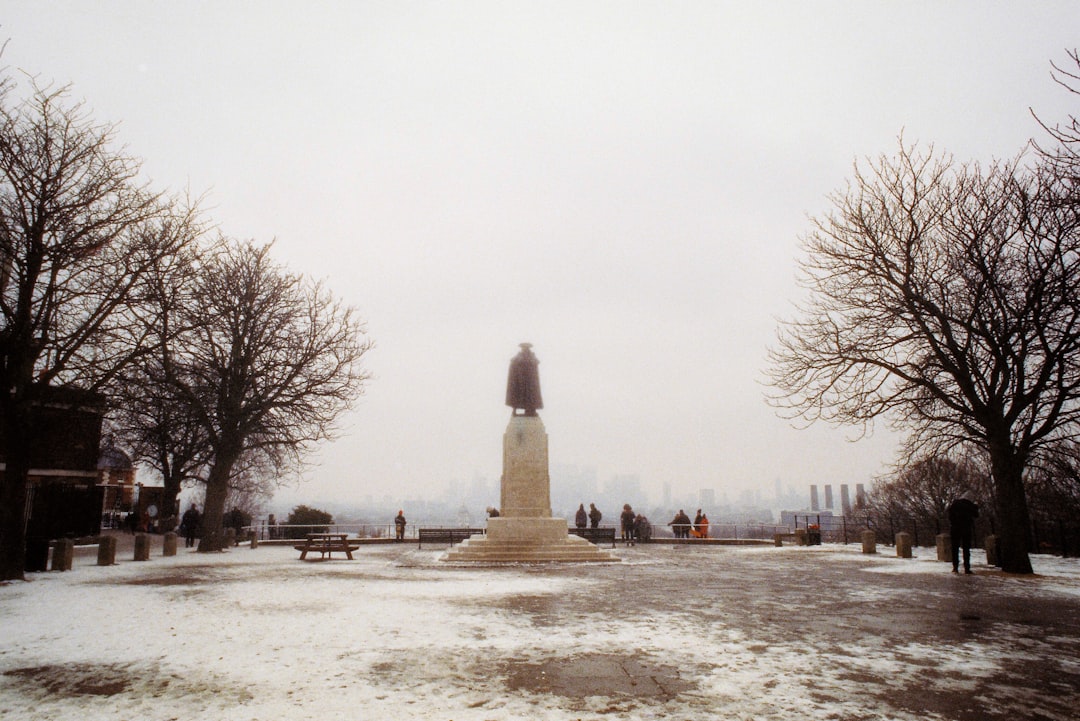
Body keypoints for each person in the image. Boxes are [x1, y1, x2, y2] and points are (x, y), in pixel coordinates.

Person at [947, 492, 980, 574]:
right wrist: (976, 506)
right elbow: (976, 515)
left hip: (955, 528)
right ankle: (967, 568)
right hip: (966, 528)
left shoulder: (955, 504)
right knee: (966, 549)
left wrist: (954, 522)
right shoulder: (970, 505)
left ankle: (955, 567)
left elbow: (950, 515)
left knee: (955, 548)